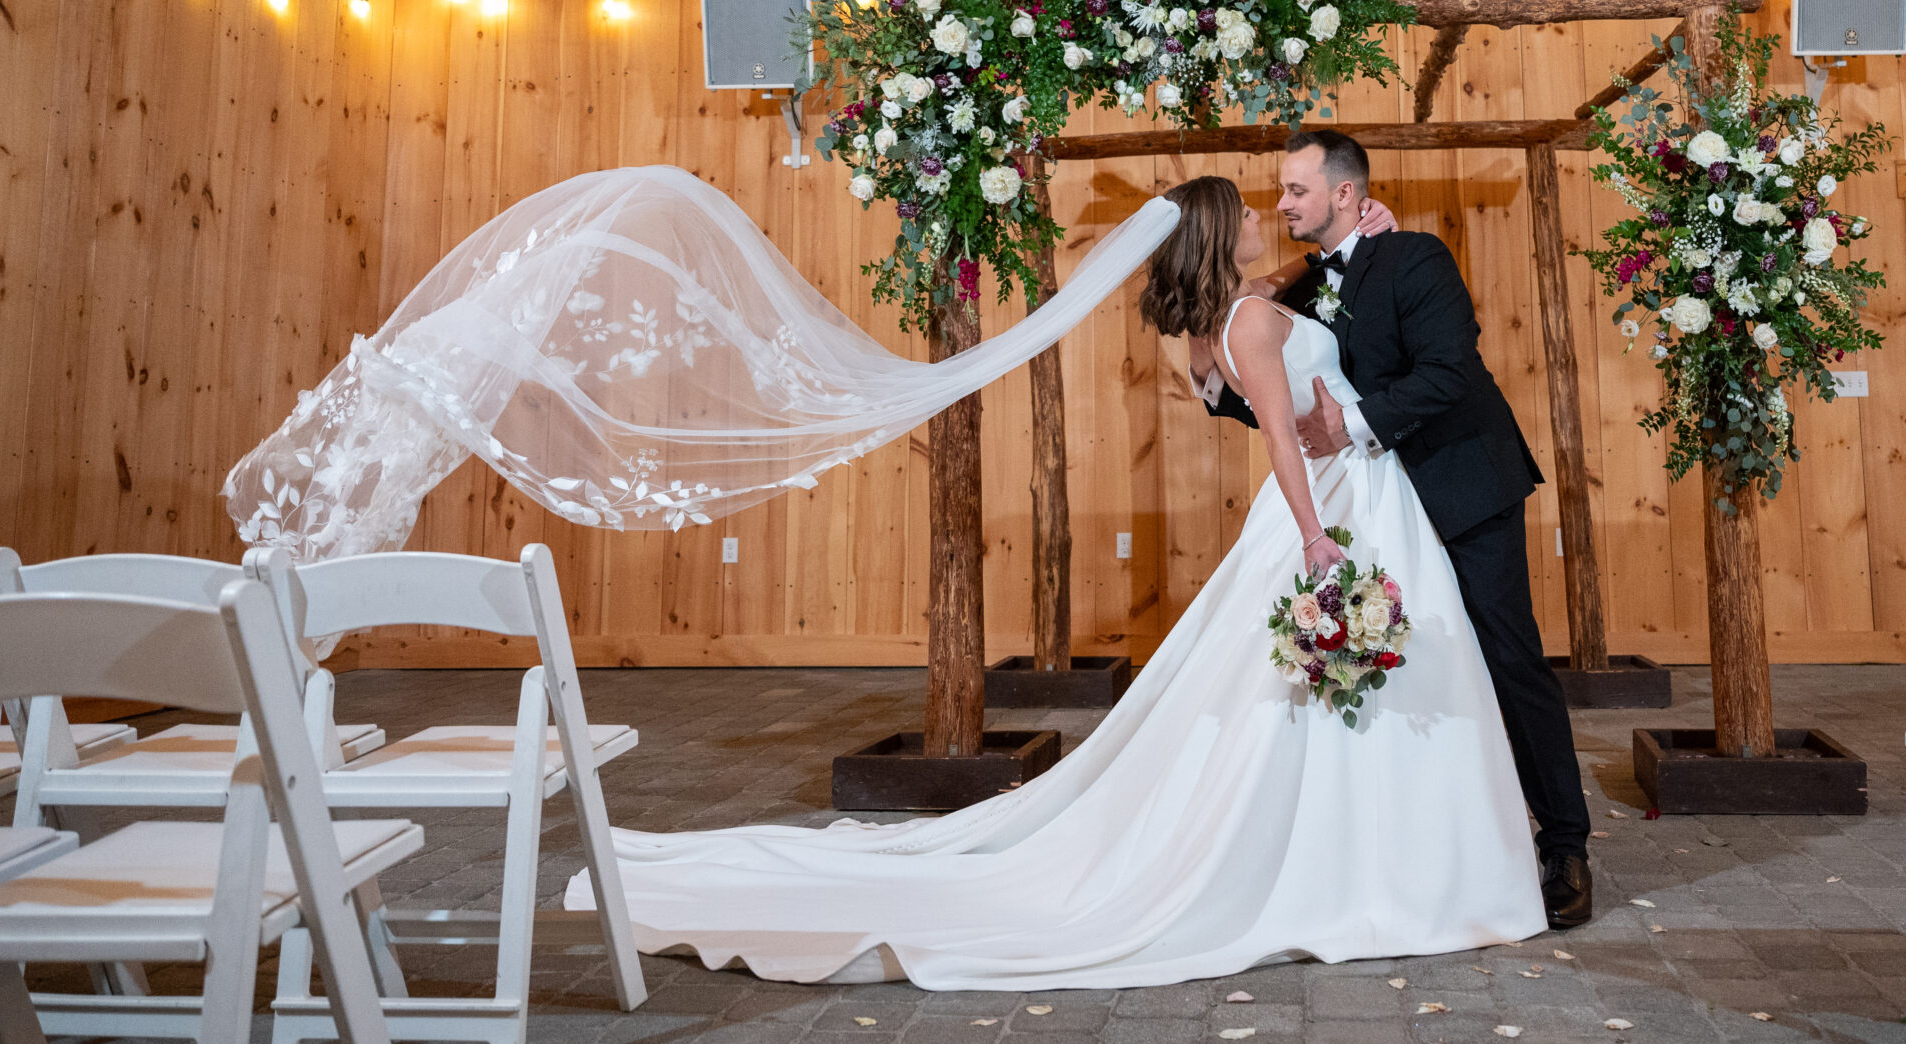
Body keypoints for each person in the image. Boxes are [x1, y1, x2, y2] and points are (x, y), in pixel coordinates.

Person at [560, 174, 1546, 988]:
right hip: (1328, 505)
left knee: (1304, 693)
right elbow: (1282, 437)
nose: (1261, 213)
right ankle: (1372, 857)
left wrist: (1344, 241)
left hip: (1356, 496)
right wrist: (1314, 536)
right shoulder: (1251, 321)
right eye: (1246, 209)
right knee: (1323, 690)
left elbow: (1278, 318)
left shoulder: (1220, 325)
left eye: (1273, 200)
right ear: (1216, 237)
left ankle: (1367, 848)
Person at [1194, 130, 1592, 928]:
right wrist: (1214, 381)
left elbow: (1450, 369)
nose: (1282, 203)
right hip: (1378, 507)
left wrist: (1357, 425)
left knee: (1507, 653)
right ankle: (1443, 833)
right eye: (1279, 191)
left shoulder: (1415, 256)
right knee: (1421, 664)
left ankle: (1566, 842)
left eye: (1297, 190)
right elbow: (1287, 397)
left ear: (1345, 193)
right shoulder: (1306, 288)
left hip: (1461, 481)